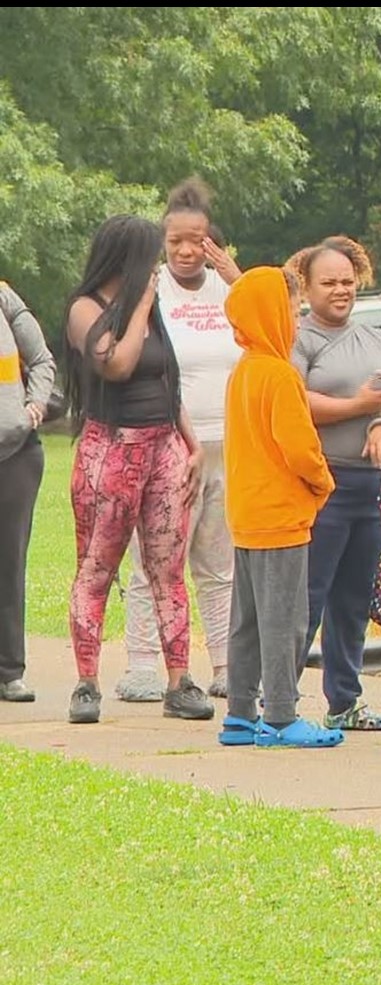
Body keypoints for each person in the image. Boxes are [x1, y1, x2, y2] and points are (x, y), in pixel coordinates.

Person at [63, 215, 216, 725]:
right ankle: (87, 682)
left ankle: (179, 681)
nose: (157, 268)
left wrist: (191, 445)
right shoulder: (86, 310)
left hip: (163, 447)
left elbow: (165, 381)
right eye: (149, 257)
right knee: (97, 567)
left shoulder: (147, 313)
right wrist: (144, 305)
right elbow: (119, 365)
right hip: (111, 450)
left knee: (168, 568)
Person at [288, 237, 381, 732]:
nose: (340, 291)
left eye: (348, 281)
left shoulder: (377, 339)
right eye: (329, 282)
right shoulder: (300, 339)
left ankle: (345, 700)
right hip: (325, 484)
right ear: (307, 286)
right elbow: (296, 401)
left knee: (355, 597)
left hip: (374, 488)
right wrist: (360, 408)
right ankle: (279, 701)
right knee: (309, 593)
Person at [119, 180, 243, 704]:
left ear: (212, 240)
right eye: (176, 243)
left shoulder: (226, 290)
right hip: (168, 448)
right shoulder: (152, 291)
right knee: (156, 559)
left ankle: (225, 663)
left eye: (198, 240)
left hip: (229, 446)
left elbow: (277, 329)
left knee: (221, 564)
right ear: (162, 244)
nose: (188, 251)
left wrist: (236, 276)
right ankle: (144, 664)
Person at [218, 266, 340, 749]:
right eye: (290, 309)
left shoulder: (242, 372)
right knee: (285, 619)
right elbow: (299, 448)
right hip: (281, 519)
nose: (295, 318)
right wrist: (323, 481)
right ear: (272, 315)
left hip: (246, 517)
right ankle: (283, 715)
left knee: (245, 621)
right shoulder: (280, 376)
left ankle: (241, 714)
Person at [0, 280, 56, 704]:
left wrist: (34, 404)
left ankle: (9, 671)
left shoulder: (5, 297)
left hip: (15, 454)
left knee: (9, 564)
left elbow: (40, 360)